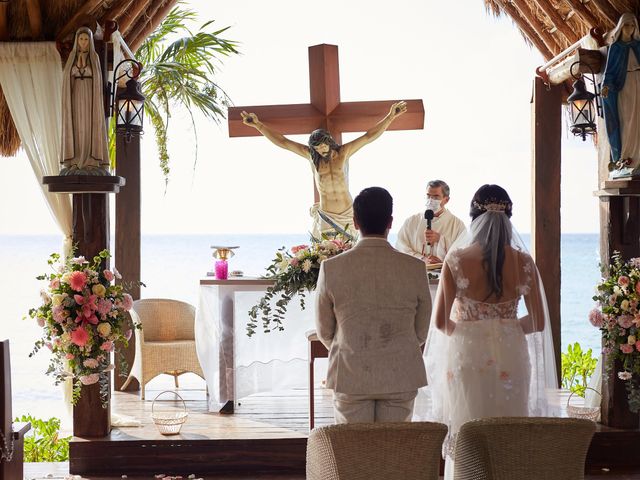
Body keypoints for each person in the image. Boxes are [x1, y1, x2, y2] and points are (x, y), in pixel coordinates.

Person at [421, 184, 557, 479]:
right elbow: (538, 322)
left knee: (468, 428)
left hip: (467, 355)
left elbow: (442, 323)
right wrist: (503, 326)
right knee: (508, 431)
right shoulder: (524, 262)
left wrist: (473, 330)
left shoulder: (455, 260)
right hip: (511, 354)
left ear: (473, 219)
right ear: (509, 218)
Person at [315, 186, 431, 423]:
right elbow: (421, 330)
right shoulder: (415, 268)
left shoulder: (332, 268)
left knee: (354, 451)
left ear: (355, 222)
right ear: (390, 222)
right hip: (400, 372)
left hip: (351, 373)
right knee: (393, 450)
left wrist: (353, 346)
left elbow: (325, 331)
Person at [240, 102, 408, 238]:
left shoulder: (343, 153)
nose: (322, 151)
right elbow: (284, 142)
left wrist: (390, 117)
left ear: (329, 141)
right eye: (318, 149)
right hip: (326, 215)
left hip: (348, 213)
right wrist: (258, 125)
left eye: (323, 147)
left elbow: (368, 136)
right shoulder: (312, 158)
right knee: (324, 259)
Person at [60, 27, 110, 175]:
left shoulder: (94, 57)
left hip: (90, 95)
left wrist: (83, 65)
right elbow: (68, 75)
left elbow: (95, 75)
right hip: (76, 95)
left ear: (90, 41)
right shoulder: (72, 58)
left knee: (88, 125)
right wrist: (79, 62)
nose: (83, 42)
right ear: (77, 40)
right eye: (80, 39)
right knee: (77, 125)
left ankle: (90, 159)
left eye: (86, 39)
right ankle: (75, 159)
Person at [602, 13, 640, 173]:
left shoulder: (638, 46)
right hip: (622, 86)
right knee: (626, 119)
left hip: (638, 82)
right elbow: (609, 71)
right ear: (620, 26)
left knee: (638, 119)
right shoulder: (615, 48)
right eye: (626, 25)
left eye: (632, 26)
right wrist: (605, 85)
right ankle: (625, 157)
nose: (629, 29)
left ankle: (638, 158)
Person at [396, 180, 466, 264]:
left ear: (446, 200)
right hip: (414, 272)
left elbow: (462, 255)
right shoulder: (411, 221)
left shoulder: (457, 225)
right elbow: (401, 247)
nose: (431, 200)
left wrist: (440, 240)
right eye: (428, 196)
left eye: (436, 197)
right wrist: (421, 259)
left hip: (442, 274)